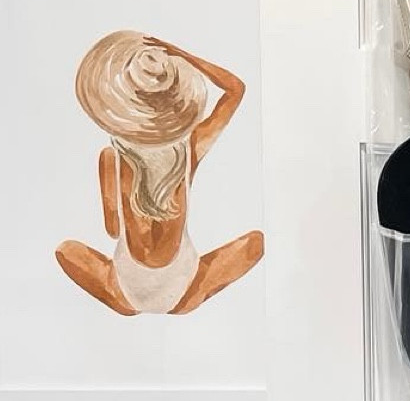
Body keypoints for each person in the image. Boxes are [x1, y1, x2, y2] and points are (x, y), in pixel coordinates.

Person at [55, 31, 263, 314]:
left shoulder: (110, 158)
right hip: (185, 289)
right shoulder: (190, 149)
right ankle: (178, 298)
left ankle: (128, 304)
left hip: (125, 291)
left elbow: (113, 230)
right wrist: (183, 55)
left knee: (65, 250)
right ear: (173, 106)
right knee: (258, 242)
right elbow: (235, 89)